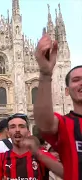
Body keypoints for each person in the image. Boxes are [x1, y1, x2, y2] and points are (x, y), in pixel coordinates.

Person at [34, 33, 82, 180]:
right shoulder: (66, 125)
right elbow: (44, 122)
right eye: (76, 80)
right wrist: (45, 73)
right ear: (66, 91)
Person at [0, 114, 63, 180]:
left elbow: (65, 173)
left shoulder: (41, 156)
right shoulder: (1, 158)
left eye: (21, 126)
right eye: (13, 127)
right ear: (8, 133)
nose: (17, 130)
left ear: (28, 133)